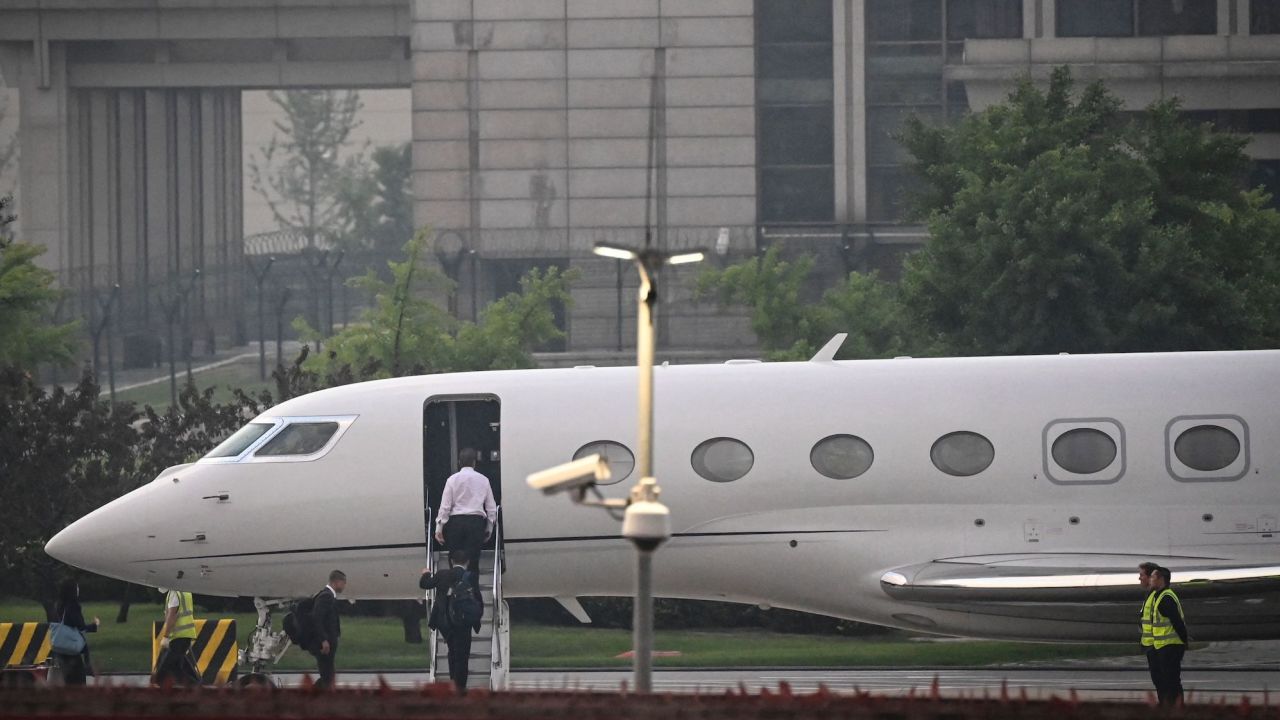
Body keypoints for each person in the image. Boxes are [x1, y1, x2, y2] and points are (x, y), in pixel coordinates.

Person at [434, 447, 497, 593]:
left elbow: (445, 506)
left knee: (455, 561)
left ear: (459, 462)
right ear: (475, 462)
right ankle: (472, 594)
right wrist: (489, 527)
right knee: (473, 561)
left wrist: (439, 527)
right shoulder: (484, 480)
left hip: (455, 523)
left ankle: (456, 593)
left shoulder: (452, 480)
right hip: (475, 523)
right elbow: (491, 507)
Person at [420, 550, 482, 694]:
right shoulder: (471, 576)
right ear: (467, 562)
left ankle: (453, 682)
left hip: (445, 621)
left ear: (451, 562)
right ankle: (459, 687)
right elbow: (477, 598)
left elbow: (425, 584)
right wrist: (476, 617)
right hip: (463, 621)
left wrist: (426, 572)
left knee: (452, 653)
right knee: (462, 656)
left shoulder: (442, 574)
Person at [1150, 566, 1188, 707]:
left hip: (1170, 647)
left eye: (1153, 578)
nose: (1151, 580)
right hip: (1165, 646)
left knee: (1171, 681)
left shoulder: (1166, 598)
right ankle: (1172, 707)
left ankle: (1176, 708)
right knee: (1169, 680)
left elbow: (1176, 621)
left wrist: (1184, 640)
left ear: (1161, 579)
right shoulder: (1161, 596)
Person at [51, 579, 99, 686]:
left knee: (68, 680)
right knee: (78, 680)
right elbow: (81, 627)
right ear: (72, 590)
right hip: (71, 649)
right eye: (76, 587)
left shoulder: (59, 605)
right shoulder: (73, 606)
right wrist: (95, 625)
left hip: (60, 648)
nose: (78, 589)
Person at [153, 587, 200, 687]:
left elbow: (172, 616)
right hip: (186, 635)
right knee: (179, 666)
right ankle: (197, 686)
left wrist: (165, 636)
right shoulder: (185, 591)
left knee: (165, 670)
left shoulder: (174, 593)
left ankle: (196, 687)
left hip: (179, 636)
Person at [309, 570, 346, 690]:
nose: (344, 586)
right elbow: (317, 618)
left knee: (328, 675)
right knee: (327, 675)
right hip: (326, 644)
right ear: (337, 582)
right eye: (343, 583)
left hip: (329, 642)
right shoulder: (326, 596)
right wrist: (323, 640)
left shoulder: (328, 596)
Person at [1137, 562, 1160, 695]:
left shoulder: (1157, 595)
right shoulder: (1151, 595)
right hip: (1153, 647)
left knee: (1165, 682)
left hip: (1158, 647)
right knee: (1160, 681)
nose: (1139, 578)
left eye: (1141, 575)